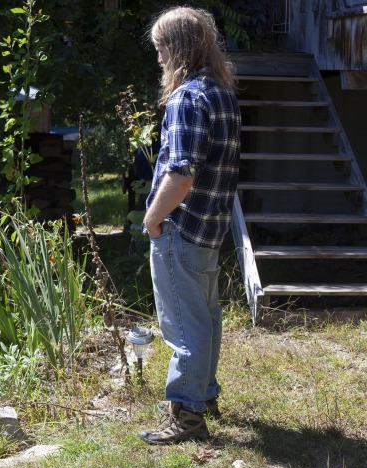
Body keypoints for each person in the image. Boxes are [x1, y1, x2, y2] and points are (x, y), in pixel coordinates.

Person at [139, 7, 241, 445]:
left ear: (177, 48)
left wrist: (153, 219)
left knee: (184, 325)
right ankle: (206, 395)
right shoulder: (222, 93)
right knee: (208, 317)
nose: (158, 56)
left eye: (161, 47)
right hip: (212, 229)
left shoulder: (187, 98)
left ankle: (186, 414)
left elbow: (181, 173)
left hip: (182, 228)